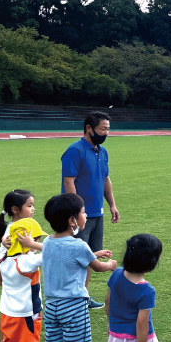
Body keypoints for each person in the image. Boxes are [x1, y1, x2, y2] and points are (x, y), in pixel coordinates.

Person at [42, 193, 118, 342]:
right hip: (74, 307)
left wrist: (94, 252)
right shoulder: (78, 246)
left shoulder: (48, 242)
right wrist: (110, 264)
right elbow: (98, 267)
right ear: (72, 220)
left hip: (52, 306)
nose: (86, 215)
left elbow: (67, 255)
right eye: (83, 212)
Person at [103, 234, 170, 342]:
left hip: (119, 336)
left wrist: (112, 324)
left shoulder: (116, 274)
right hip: (144, 340)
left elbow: (107, 301)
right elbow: (142, 323)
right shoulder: (146, 290)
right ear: (151, 263)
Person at [61, 111, 119, 309]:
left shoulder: (102, 152)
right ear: (89, 128)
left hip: (97, 213)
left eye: (108, 129)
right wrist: (78, 211)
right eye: (103, 129)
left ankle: (82, 297)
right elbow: (69, 181)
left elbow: (105, 179)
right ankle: (71, 298)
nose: (106, 133)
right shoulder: (74, 151)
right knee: (77, 258)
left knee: (90, 256)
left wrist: (112, 204)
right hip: (79, 216)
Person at [0, 217, 48, 342]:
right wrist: (33, 245)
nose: (38, 243)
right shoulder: (28, 261)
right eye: (35, 239)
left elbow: (4, 248)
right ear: (26, 241)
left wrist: (6, 243)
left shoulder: (2, 256)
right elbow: (52, 251)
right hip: (27, 313)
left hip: (7, 312)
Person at [0, 190, 42, 342]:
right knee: (16, 312)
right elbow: (3, 255)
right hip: (19, 277)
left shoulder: (18, 226)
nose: (33, 209)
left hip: (12, 277)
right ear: (15, 209)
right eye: (29, 206)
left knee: (7, 309)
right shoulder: (15, 231)